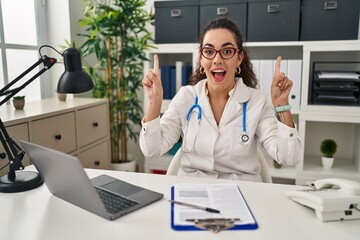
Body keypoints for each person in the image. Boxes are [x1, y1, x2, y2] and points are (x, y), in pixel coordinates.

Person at [140, 17, 302, 182]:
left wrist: (282, 106)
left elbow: (288, 158)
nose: (217, 59)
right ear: (202, 59)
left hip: (243, 192)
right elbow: (151, 150)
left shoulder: (257, 101)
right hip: (193, 191)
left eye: (226, 51)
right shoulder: (186, 97)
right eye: (209, 52)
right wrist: (154, 102)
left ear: (239, 58)